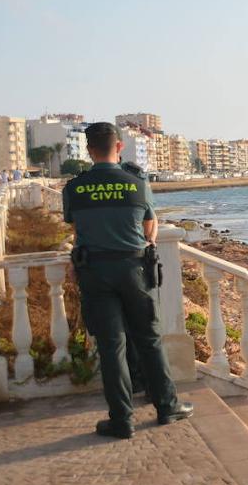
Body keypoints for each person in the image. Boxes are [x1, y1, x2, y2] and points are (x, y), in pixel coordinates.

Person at [62, 122, 192, 439]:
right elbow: (150, 229)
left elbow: (76, 230)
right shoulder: (136, 184)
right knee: (149, 339)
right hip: (135, 270)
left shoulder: (74, 188)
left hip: (95, 272)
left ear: (89, 150)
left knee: (111, 347)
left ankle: (122, 419)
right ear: (119, 147)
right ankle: (167, 406)